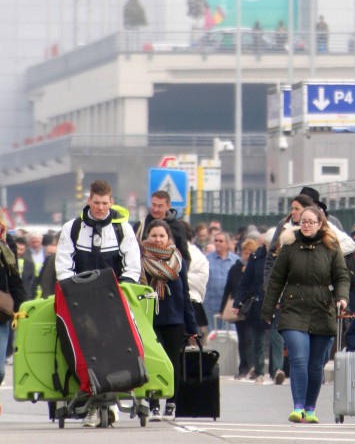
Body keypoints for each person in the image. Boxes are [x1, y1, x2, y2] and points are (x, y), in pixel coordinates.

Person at [55, 179, 142, 428]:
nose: (101, 208)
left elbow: (132, 266)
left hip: (113, 303)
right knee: (86, 354)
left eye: (105, 203)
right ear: (89, 201)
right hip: (80, 304)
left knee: (112, 353)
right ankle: (95, 402)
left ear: (111, 202)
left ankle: (107, 404)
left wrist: (122, 292)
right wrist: (73, 295)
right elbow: (64, 265)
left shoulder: (122, 229)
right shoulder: (71, 228)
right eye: (96, 203)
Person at [261, 206, 349, 424]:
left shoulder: (331, 246)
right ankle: (298, 407)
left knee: (316, 364)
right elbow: (276, 280)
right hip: (294, 309)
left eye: (311, 221)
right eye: (303, 221)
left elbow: (341, 276)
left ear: (320, 224)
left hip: (322, 309)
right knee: (299, 358)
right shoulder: (289, 247)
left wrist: (342, 297)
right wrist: (268, 309)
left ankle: (310, 409)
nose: (307, 225)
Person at [140, 219, 199, 421]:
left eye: (162, 236)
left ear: (168, 238)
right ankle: (154, 404)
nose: (158, 239)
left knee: (173, 363)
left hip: (175, 320)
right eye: (154, 235)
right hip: (150, 320)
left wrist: (192, 325)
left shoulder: (177, 261)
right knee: (154, 363)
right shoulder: (140, 261)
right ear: (147, 237)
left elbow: (185, 293)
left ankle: (171, 403)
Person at [233, 233, 273, 385]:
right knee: (257, 338)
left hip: (277, 303)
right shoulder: (256, 257)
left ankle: (276, 370)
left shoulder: (283, 255)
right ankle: (259, 370)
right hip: (257, 302)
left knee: (277, 337)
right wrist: (237, 303)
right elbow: (245, 282)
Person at [221, 238, 261, 380]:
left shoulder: (257, 268)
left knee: (252, 340)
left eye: (251, 252)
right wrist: (223, 308)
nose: (248, 255)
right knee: (243, 340)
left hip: (253, 307)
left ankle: (254, 367)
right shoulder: (235, 268)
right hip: (239, 308)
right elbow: (228, 288)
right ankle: (243, 367)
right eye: (246, 252)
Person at [0, 216, 25, 401]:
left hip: (1, 311)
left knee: (0, 370)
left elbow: (14, 277)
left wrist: (21, 306)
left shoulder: (6, 240)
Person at [132, 190, 190, 262]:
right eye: (154, 205)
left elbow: (185, 255)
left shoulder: (177, 227)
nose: (156, 209)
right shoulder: (140, 226)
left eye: (160, 206)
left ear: (168, 206)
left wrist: (178, 270)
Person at [204, 232, 240, 328]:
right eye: (216, 241)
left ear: (227, 244)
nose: (218, 243)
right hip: (211, 302)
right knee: (214, 333)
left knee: (231, 334)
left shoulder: (236, 260)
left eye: (221, 241)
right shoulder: (206, 259)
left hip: (229, 304)